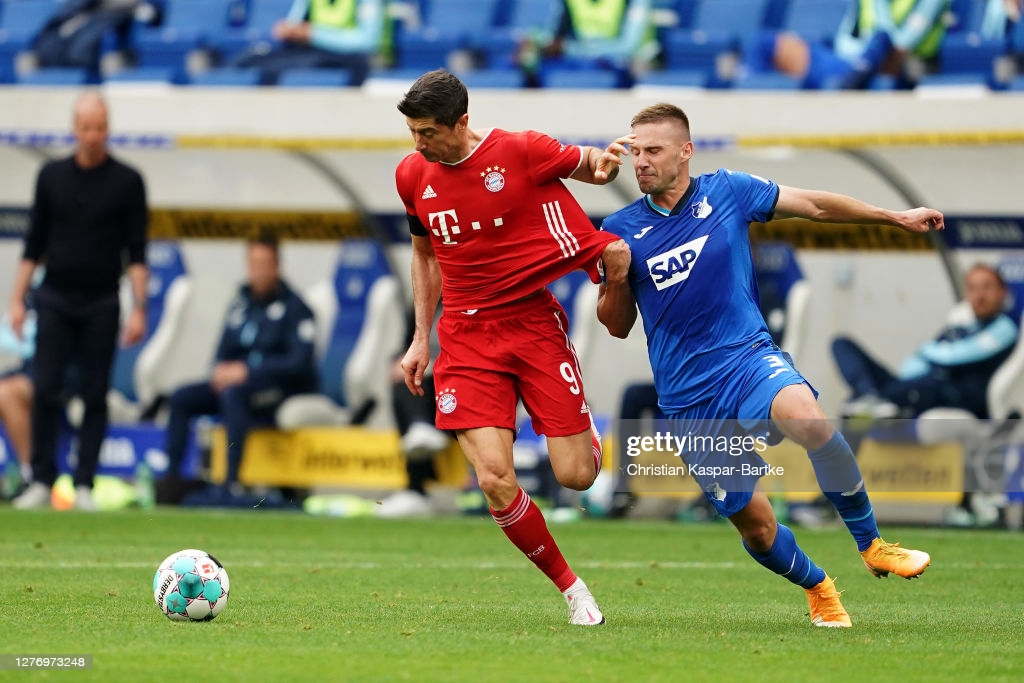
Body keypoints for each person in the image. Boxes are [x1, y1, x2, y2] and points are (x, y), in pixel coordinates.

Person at [597, 103, 937, 628]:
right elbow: (615, 325)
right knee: (756, 527)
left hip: (747, 358)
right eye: (635, 151)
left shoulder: (728, 190)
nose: (640, 162)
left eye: (653, 151)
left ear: (685, 152)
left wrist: (894, 216)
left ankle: (873, 545)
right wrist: (617, 278)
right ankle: (819, 586)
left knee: (809, 419)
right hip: (689, 397)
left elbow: (816, 206)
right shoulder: (619, 228)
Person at [394, 69, 630, 626]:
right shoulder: (411, 175)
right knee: (495, 479)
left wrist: (608, 162)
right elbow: (425, 255)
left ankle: (582, 434)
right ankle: (573, 590)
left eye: (427, 132)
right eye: (412, 131)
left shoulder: (521, 150)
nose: (417, 143)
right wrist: (420, 336)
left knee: (576, 476)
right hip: (467, 336)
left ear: (462, 122)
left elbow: (590, 165)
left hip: (530, 323)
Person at [11, 92, 148, 512]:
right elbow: (34, 245)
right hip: (54, 299)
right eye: (86, 127)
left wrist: (140, 307)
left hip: (102, 302)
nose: (92, 136)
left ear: (108, 129)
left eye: (100, 128)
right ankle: (41, 479)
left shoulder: (127, 181)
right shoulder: (51, 176)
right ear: (75, 128)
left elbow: (136, 253)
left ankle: (85, 483)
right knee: (45, 389)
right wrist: (16, 300)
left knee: (94, 394)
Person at [157, 232, 318, 505]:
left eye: (265, 264)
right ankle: (172, 480)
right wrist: (220, 372)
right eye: (254, 263)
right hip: (236, 387)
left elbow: (299, 363)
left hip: (277, 390)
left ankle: (231, 483)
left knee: (235, 395)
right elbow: (221, 352)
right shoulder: (240, 304)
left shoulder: (297, 308)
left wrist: (249, 372)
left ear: (277, 266)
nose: (259, 271)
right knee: (182, 397)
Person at [833, 263, 1017, 420]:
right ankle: (870, 397)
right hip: (917, 384)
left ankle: (871, 400)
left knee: (925, 385)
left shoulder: (1005, 327)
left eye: (987, 287)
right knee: (841, 344)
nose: (980, 295)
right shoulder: (962, 325)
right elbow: (912, 367)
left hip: (955, 395)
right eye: (973, 288)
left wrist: (926, 351)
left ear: (1003, 292)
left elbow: (955, 356)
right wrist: (930, 352)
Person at [744, 0, 949, 89]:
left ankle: (849, 79)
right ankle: (751, 109)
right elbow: (846, 37)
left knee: (881, 39)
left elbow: (903, 43)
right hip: (851, 62)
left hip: (896, 64)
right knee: (763, 42)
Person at [376, 308, 450, 518]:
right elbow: (409, 343)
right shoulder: (427, 300)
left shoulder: (478, 293)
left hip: (462, 380)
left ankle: (416, 487)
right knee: (406, 377)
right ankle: (415, 489)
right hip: (430, 381)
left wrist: (436, 365)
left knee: (421, 378)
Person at [231, 0, 386, 86]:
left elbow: (367, 41)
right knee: (250, 59)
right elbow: (294, 21)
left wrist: (314, 33)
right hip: (309, 50)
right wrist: (288, 30)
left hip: (344, 56)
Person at [517, 0, 657, 87]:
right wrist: (534, 40)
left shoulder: (637, 2)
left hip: (638, 64)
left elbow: (630, 47)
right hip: (588, 60)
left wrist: (571, 49)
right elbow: (554, 37)